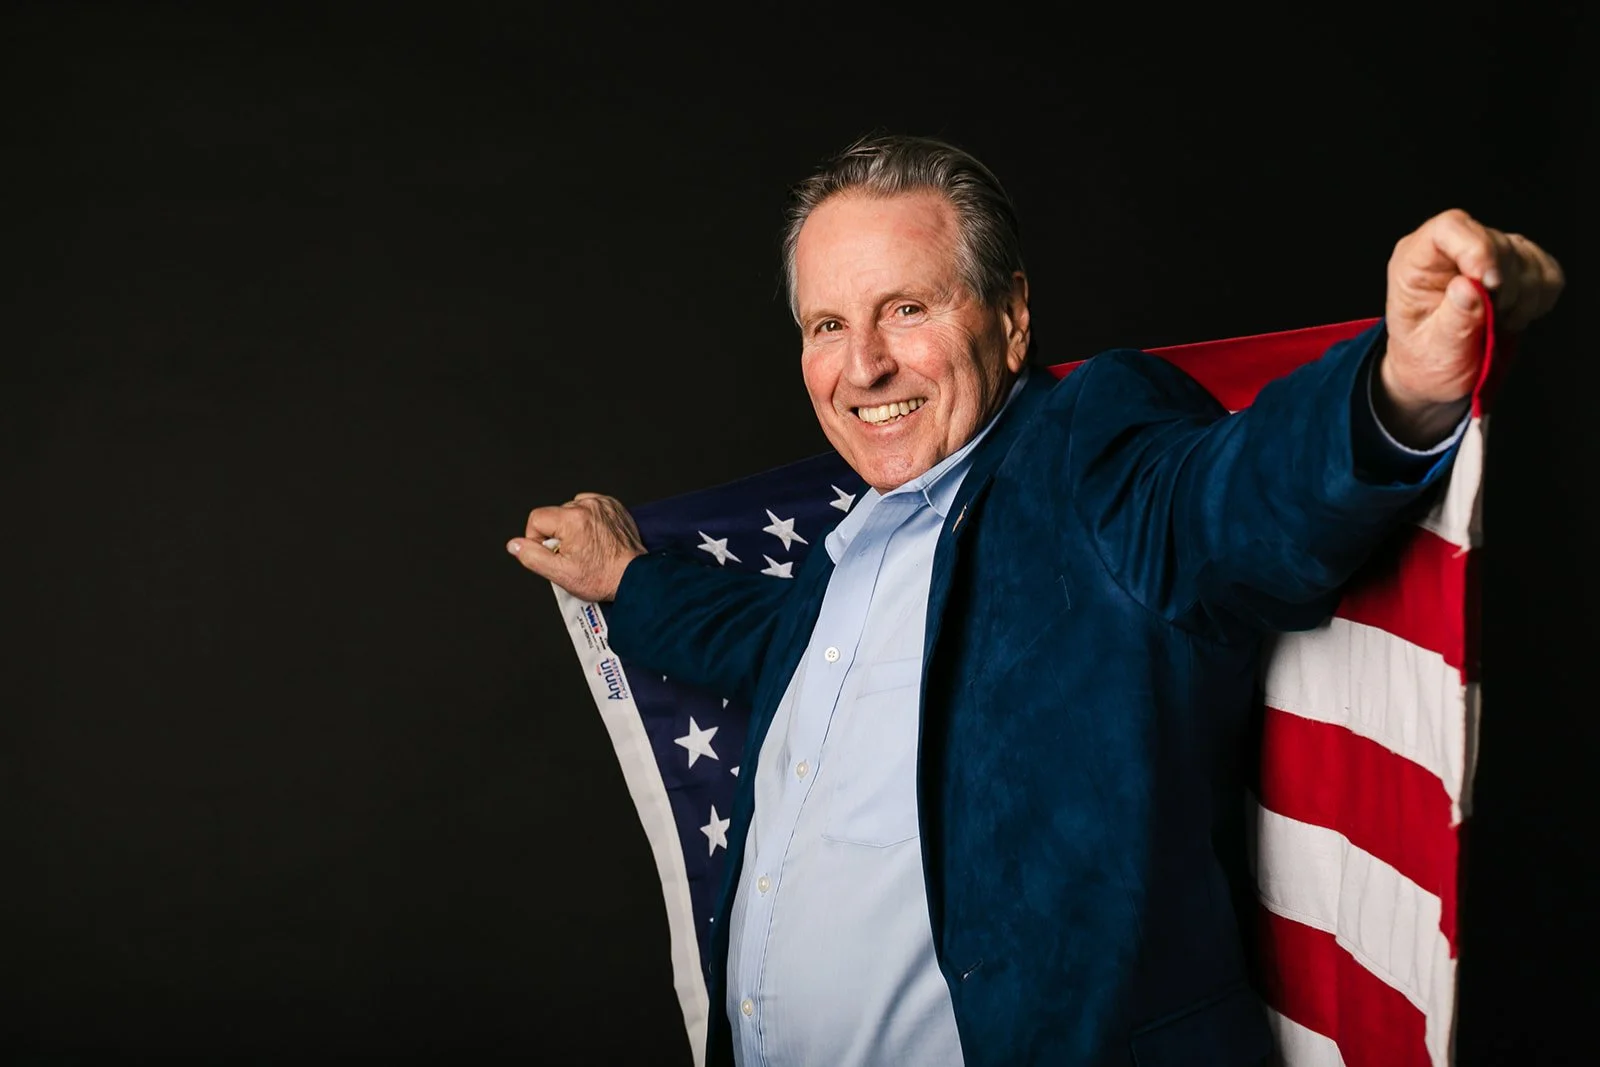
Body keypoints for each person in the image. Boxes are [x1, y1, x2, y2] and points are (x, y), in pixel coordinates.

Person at [506, 135, 1563, 1067]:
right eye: (827, 323)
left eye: (906, 308)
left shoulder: (1083, 453)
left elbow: (1229, 501)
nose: (862, 364)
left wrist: (1399, 387)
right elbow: (765, 644)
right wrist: (624, 575)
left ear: (1010, 320)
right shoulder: (848, 546)